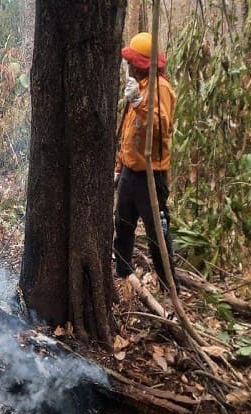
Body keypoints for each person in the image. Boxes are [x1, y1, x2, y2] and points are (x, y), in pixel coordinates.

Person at [113, 32, 178, 293]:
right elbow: (128, 133)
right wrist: (119, 168)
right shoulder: (136, 87)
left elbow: (162, 126)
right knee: (123, 226)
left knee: (157, 236)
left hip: (152, 176)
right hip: (130, 173)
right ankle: (123, 277)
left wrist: (139, 104)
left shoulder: (160, 88)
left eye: (132, 62)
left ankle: (168, 288)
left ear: (143, 65)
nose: (128, 66)